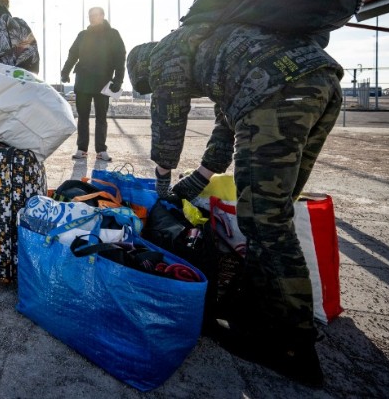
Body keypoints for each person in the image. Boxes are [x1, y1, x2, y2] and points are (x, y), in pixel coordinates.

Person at [126, 22, 344, 388]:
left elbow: (169, 116)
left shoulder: (165, 53)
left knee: (264, 218)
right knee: (273, 211)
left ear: (143, 67)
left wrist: (162, 178)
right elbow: (229, 120)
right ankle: (261, 316)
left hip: (280, 90)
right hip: (318, 79)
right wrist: (201, 176)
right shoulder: (215, 46)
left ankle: (293, 347)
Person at [60, 7, 126, 162]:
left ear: (102, 16)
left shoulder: (113, 34)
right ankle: (81, 149)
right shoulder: (82, 35)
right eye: (90, 16)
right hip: (83, 81)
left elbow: (120, 58)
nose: (92, 18)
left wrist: (118, 80)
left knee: (101, 117)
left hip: (103, 83)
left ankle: (101, 150)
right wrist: (65, 72)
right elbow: (73, 54)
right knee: (82, 117)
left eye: (95, 15)